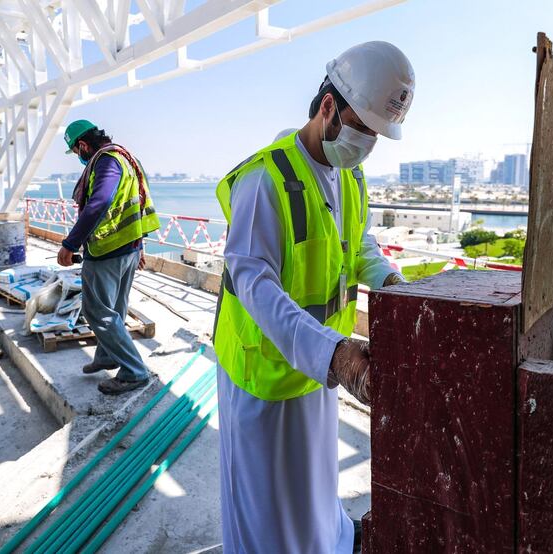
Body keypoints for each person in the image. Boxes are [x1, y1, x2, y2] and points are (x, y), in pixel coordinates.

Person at [212, 42, 415, 553]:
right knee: (268, 508)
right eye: (362, 128)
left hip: (318, 366)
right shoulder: (264, 180)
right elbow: (256, 286)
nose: (367, 143)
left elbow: (359, 241)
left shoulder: (349, 174)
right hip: (267, 374)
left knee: (314, 492)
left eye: (376, 135)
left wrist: (390, 283)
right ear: (328, 107)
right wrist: (336, 354)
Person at [57, 120, 160, 395]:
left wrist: (70, 244)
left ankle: (134, 372)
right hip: (128, 247)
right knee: (115, 308)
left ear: (82, 145)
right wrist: (140, 246)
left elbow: (100, 202)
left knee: (99, 312)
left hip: (108, 248)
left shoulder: (106, 161)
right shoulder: (126, 157)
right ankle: (107, 356)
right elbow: (139, 200)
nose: (79, 157)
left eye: (76, 151)